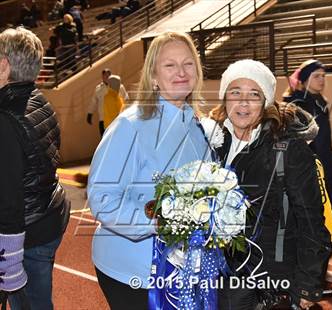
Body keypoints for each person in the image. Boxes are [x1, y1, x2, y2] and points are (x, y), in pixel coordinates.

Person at [87, 31, 211, 309]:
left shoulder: (197, 125)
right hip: (132, 270)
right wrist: (160, 224)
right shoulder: (130, 125)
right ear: (153, 77)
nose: (181, 72)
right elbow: (102, 200)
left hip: (181, 270)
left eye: (188, 63)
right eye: (170, 65)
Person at [210, 59, 332, 309]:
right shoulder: (212, 140)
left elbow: (312, 220)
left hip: (271, 280)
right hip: (219, 276)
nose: (243, 102)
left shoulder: (288, 148)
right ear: (225, 97)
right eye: (235, 92)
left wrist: (307, 284)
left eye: (254, 94)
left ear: (266, 100)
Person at [0, 27, 70, 310]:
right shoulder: (38, 100)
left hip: (29, 233)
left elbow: (8, 203)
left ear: (4, 66)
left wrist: (9, 267)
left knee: (31, 304)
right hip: (50, 217)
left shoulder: (6, 119)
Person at [283, 59, 332, 230]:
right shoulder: (295, 104)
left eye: (323, 76)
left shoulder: (320, 102)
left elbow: (326, 138)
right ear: (304, 79)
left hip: (326, 165)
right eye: (316, 76)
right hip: (308, 170)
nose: (322, 80)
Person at [87, 68, 129, 136]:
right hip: (103, 119)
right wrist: (90, 113)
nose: (106, 78)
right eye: (105, 76)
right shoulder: (98, 89)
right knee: (104, 139)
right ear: (102, 77)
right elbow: (93, 102)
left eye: (108, 76)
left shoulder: (120, 87)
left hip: (117, 118)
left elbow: (126, 99)